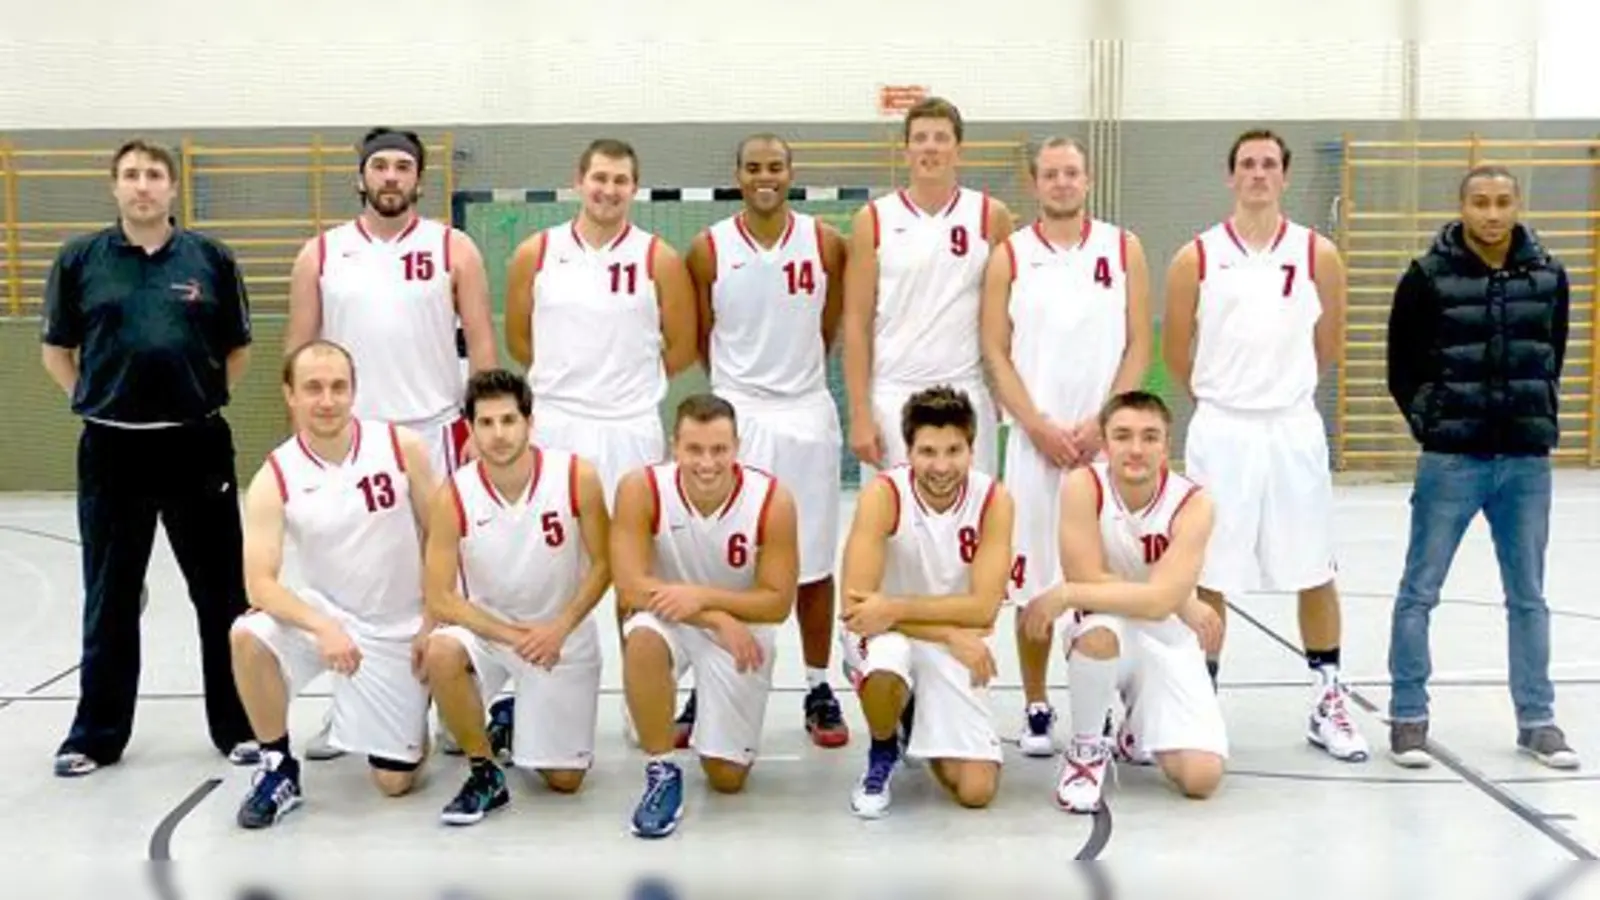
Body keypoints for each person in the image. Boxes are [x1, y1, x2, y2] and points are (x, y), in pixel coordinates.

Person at [39, 138, 257, 776]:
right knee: (109, 596)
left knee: (221, 594)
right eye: (131, 175)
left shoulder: (211, 258)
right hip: (112, 449)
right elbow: (56, 351)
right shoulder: (80, 259)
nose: (142, 185)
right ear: (114, 186)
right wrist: (95, 400)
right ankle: (95, 736)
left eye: (154, 174)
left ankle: (240, 726)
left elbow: (237, 350)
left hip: (195, 445)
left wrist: (198, 399)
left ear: (172, 187)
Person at [284, 126, 497, 761]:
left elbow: (481, 340)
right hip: (352, 437)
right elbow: (299, 350)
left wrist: (484, 424)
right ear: (361, 177)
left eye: (403, 167)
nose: (391, 177)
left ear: (419, 180)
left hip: (436, 428)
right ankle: (351, 706)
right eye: (380, 166)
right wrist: (305, 437)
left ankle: (450, 702)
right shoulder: (321, 254)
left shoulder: (453, 247)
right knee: (355, 577)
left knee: (450, 572)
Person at [1161, 128, 1368, 762]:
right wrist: (1223, 398)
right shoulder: (1196, 256)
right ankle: (1199, 702)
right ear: (1231, 176)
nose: (1258, 173)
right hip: (1223, 428)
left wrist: (1278, 391)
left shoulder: (1317, 253)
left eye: (1269, 164)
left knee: (1314, 567)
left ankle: (1327, 698)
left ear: (1284, 175)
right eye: (1247, 164)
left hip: (1291, 426)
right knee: (1210, 570)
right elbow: (1176, 351)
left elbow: (1327, 344)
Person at [1383, 165, 1578, 770]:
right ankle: (1408, 717)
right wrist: (1434, 422)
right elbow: (1401, 367)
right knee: (1420, 591)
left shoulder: (1549, 275)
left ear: (1517, 205)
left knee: (1529, 596)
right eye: (1480, 202)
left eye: (1502, 202)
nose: (1492, 214)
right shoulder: (1426, 276)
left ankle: (1538, 721)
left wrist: (1528, 417)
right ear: (1461, 207)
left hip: (1525, 461)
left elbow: (1552, 354)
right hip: (1451, 460)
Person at [979, 136, 1152, 756]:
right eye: (1050, 174)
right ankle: (1035, 703)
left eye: (1071, 172)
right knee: (1032, 578)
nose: (1061, 182)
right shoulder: (1010, 256)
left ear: (1088, 179)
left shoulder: (1123, 248)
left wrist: (1106, 422)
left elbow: (1139, 342)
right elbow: (995, 349)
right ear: (1035, 183)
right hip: (1035, 445)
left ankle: (1105, 705)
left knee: (1106, 575)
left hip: (1105, 448)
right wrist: (1032, 424)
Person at [678, 132, 850, 750]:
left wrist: (790, 378)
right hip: (740, 414)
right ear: (738, 175)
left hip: (805, 411)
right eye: (753, 167)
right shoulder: (708, 249)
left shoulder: (826, 242)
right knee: (727, 558)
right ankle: (708, 680)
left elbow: (828, 328)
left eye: (775, 166)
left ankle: (818, 685)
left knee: (814, 560)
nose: (765, 177)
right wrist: (739, 393)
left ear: (791, 172)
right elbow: (703, 336)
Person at [228, 340, 440, 828]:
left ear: (354, 392)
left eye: (338, 387)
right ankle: (277, 767)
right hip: (327, 618)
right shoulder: (275, 476)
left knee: (393, 782)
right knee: (248, 635)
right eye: (313, 388)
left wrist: (434, 618)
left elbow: (442, 538)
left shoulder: (401, 447)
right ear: (290, 394)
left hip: (399, 626)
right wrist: (322, 627)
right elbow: (259, 585)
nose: (327, 400)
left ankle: (416, 710)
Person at [420, 368, 612, 825]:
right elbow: (439, 596)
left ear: (530, 422)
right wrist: (510, 635)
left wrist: (559, 627)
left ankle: (510, 717)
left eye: (508, 420)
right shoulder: (454, 494)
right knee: (440, 651)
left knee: (564, 781)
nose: (499, 434)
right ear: (470, 429)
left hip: (560, 635)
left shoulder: (576, 476)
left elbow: (606, 565)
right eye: (486, 423)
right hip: (490, 634)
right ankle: (484, 770)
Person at [1020, 390, 1227, 812]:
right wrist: (1174, 598)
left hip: (1166, 636)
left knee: (1201, 778)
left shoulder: (1195, 504)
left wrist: (1067, 594)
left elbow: (1151, 601)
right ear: (1105, 443)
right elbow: (1087, 575)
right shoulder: (1084, 485)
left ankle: (1134, 730)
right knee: (1099, 635)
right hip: (1106, 624)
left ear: (1166, 446)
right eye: (1123, 436)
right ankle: (1086, 750)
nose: (1136, 449)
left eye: (1150, 437)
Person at [609, 393, 800, 838]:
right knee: (642, 634)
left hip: (740, 629)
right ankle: (661, 769)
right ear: (674, 446)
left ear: (737, 448)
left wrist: (701, 599)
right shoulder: (641, 487)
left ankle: (704, 708)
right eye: (694, 449)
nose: (707, 463)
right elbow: (630, 586)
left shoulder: (772, 499)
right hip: (671, 616)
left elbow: (777, 602)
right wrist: (714, 616)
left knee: (727, 778)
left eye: (719, 449)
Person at [838, 385, 1014, 819]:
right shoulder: (883, 495)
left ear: (972, 449)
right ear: (908, 451)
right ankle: (883, 750)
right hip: (888, 635)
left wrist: (895, 609)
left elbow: (984, 609)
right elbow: (857, 610)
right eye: (928, 452)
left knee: (975, 790)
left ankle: (916, 717)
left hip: (938, 635)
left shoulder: (994, 501)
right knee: (886, 663)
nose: (941, 466)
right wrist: (948, 629)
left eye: (954, 451)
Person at [504, 137, 699, 508]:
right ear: (578, 181)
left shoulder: (659, 258)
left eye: (620, 180)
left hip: (630, 426)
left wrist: (626, 380)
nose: (609, 190)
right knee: (557, 536)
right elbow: (518, 341)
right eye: (600, 178)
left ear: (635, 189)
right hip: (555, 424)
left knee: (631, 536)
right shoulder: (536, 253)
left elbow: (684, 348)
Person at [841, 97, 1014, 482]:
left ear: (959, 150)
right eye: (920, 138)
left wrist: (1006, 391)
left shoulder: (991, 216)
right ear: (906, 151)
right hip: (893, 393)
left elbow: (1008, 316)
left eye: (940, 138)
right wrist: (860, 413)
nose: (930, 147)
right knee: (892, 515)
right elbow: (855, 322)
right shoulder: (874, 219)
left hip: (965, 390)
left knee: (973, 512)